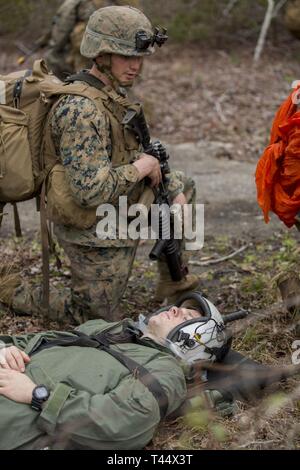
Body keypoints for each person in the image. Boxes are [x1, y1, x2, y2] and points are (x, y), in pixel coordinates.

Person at [1, 5, 200, 324]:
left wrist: (170, 186)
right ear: (101, 55)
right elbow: (90, 191)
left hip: (113, 201)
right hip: (87, 219)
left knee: (182, 186)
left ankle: (175, 280)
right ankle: (9, 288)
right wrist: (142, 168)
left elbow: (130, 155)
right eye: (126, 57)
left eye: (139, 58)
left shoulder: (113, 95)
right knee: (94, 316)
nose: (135, 66)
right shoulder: (81, 110)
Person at [0, 293, 230, 450]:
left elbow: (122, 423)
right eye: (179, 308)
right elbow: (37, 340)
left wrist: (38, 395)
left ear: (193, 343)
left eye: (187, 316)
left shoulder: (163, 369)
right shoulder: (108, 329)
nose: (174, 309)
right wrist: (5, 348)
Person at [44, 0, 141, 79]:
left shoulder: (77, 2)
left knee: (52, 59)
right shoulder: (129, 3)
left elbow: (62, 29)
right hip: (123, 53)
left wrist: (55, 48)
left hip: (87, 49)